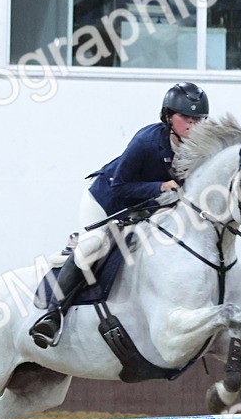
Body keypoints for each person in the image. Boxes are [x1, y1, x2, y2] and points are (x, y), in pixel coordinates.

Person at [29, 82, 209, 349]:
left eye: (198, 119)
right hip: (106, 201)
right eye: (185, 118)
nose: (192, 126)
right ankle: (53, 314)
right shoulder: (146, 141)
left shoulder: (198, 151)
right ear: (168, 117)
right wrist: (160, 186)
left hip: (144, 210)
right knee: (93, 246)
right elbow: (120, 186)